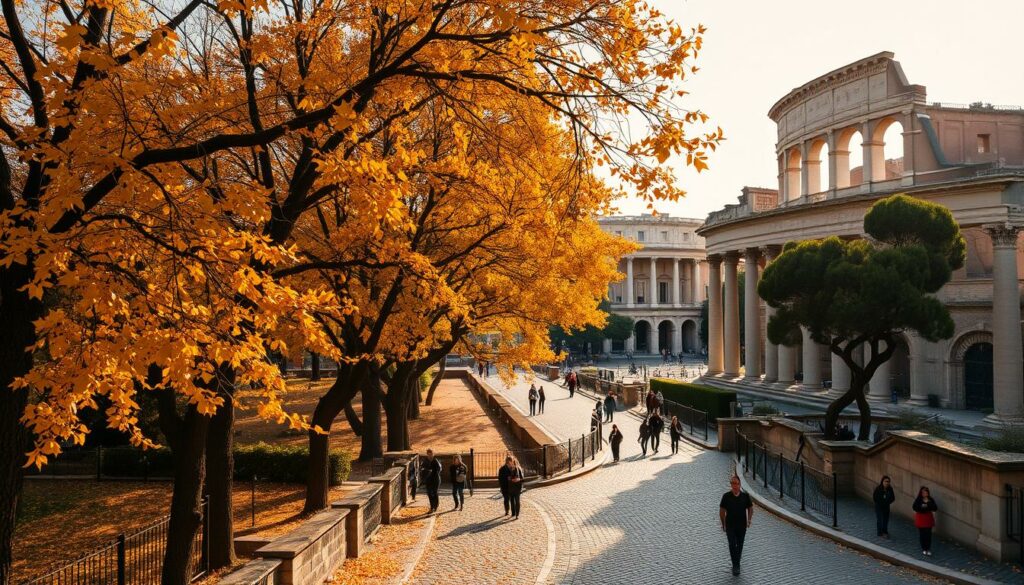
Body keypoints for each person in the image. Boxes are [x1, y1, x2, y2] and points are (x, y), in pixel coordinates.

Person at [719, 475, 754, 576]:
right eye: (732, 483)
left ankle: (737, 563)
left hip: (742, 525)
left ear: (740, 484)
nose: (734, 486)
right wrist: (723, 524)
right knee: (731, 544)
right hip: (730, 525)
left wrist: (749, 520)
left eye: (736, 484)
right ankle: (736, 565)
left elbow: (750, 508)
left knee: (740, 545)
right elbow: (722, 511)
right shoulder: (726, 496)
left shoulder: (745, 496)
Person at [913, 486, 939, 556]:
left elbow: (935, 508)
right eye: (923, 492)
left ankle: (928, 548)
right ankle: (924, 548)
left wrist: (928, 504)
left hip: (928, 519)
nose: (925, 493)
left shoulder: (930, 499)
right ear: (921, 493)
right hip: (921, 519)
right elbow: (915, 507)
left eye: (926, 492)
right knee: (922, 534)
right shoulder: (918, 499)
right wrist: (922, 507)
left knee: (928, 535)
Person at [422, 449, 442, 514]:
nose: (429, 455)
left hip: (435, 479)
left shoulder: (435, 461)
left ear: (433, 454)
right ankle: (432, 507)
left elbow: (439, 469)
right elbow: (422, 468)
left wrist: (431, 471)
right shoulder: (425, 461)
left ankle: (435, 506)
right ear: (427, 454)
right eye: (428, 454)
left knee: (435, 492)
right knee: (429, 493)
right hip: (428, 479)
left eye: (431, 454)